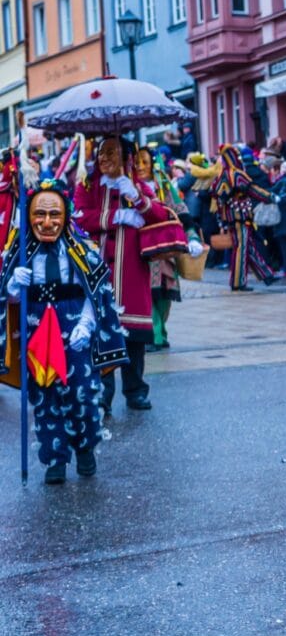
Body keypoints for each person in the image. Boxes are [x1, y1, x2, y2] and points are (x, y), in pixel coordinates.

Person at [0, 179, 128, 483]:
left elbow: (97, 293)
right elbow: (9, 300)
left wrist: (86, 324)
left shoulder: (82, 250)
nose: (47, 222)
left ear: (66, 215)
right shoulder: (20, 252)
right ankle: (54, 459)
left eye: (54, 214)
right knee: (44, 397)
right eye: (39, 214)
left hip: (74, 330)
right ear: (29, 216)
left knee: (83, 394)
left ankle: (85, 449)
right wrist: (13, 285)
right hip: (37, 331)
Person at [75, 136, 171, 413]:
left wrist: (137, 198)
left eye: (111, 153)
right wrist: (113, 217)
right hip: (98, 269)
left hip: (131, 271)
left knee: (134, 338)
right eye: (101, 153)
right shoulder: (88, 185)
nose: (103, 158)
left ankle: (135, 390)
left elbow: (160, 215)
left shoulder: (138, 186)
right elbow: (78, 216)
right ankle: (102, 394)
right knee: (100, 333)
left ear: (127, 158)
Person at [136, 147, 204, 351]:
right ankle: (153, 335)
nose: (141, 167)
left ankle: (161, 332)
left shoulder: (163, 185)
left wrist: (192, 236)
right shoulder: (129, 187)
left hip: (165, 248)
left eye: (145, 162)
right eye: (137, 162)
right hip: (139, 248)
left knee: (164, 294)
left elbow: (181, 211)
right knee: (146, 293)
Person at [212, 144, 278, 291]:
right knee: (241, 247)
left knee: (247, 246)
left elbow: (217, 196)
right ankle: (238, 282)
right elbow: (252, 189)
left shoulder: (222, 175)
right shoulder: (236, 174)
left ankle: (266, 274)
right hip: (240, 215)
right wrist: (269, 197)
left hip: (231, 216)